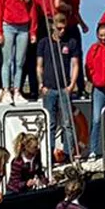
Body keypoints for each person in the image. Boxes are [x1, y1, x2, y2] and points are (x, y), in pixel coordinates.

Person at [35, 14, 83, 157]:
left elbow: (75, 65)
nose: (62, 31)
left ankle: (68, 153)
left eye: (64, 28)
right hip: (49, 88)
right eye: (59, 28)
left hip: (64, 88)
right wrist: (40, 84)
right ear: (53, 27)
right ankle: (49, 154)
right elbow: (39, 65)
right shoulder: (44, 43)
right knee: (50, 124)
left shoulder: (71, 43)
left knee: (67, 123)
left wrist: (71, 85)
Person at [0, 0, 35, 101]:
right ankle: (6, 90)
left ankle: (17, 90)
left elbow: (32, 12)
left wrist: (33, 32)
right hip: (8, 26)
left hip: (23, 28)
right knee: (7, 61)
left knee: (19, 62)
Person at [84, 23, 105, 154]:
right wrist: (93, 79)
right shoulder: (94, 49)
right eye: (101, 35)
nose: (103, 38)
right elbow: (88, 66)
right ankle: (93, 150)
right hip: (98, 88)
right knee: (96, 119)